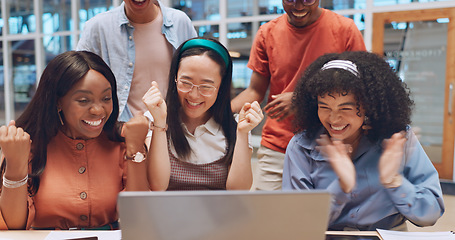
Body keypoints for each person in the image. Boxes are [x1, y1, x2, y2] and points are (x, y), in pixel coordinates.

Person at [282, 51, 445, 230]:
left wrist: (395, 181)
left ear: (368, 105)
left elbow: (431, 214)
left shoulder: (396, 139)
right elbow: (298, 224)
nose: (334, 119)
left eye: (346, 108)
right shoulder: (301, 147)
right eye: (324, 107)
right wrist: (341, 187)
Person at [0, 51, 150, 230]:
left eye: (106, 98)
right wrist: (15, 167)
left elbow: (138, 219)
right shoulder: (29, 145)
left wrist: (136, 149)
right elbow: (13, 227)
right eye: (84, 100)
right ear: (58, 102)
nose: (98, 110)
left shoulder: (123, 139)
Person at [231, 0, 366, 190]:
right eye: (291, 0)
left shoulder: (345, 29)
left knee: (320, 217)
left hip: (329, 145)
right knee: (266, 215)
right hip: (277, 146)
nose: (299, 7)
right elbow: (255, 90)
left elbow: (359, 87)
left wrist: (302, 98)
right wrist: (219, 109)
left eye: (307, 0)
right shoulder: (267, 33)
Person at [143, 38, 264, 190]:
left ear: (221, 87)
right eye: (186, 83)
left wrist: (242, 133)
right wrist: (160, 123)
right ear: (174, 79)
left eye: (206, 86)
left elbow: (238, 191)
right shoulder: (155, 118)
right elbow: (157, 186)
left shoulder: (236, 125)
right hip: (168, 213)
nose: (194, 95)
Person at [77, 0, 197, 122]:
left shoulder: (180, 22)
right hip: (121, 130)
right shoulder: (98, 27)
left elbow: (197, 74)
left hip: (172, 128)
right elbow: (78, 79)